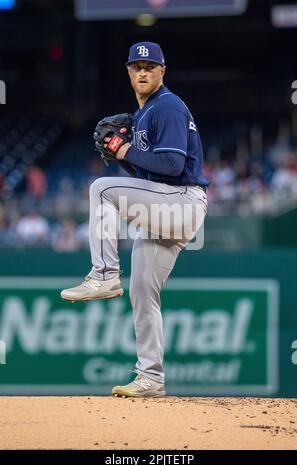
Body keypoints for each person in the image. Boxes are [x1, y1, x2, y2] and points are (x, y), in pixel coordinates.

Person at [61, 42, 209, 397]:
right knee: (143, 290)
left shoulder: (168, 106)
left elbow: (173, 166)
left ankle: (103, 275)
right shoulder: (143, 113)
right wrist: (122, 156)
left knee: (100, 188)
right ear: (128, 73)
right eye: (136, 67)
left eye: (149, 66)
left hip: (183, 201)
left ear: (162, 72)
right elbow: (150, 176)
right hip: (167, 205)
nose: (142, 72)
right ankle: (151, 378)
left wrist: (125, 149)